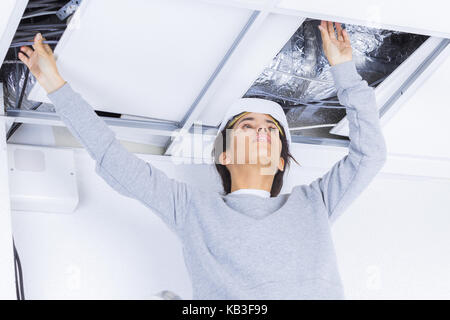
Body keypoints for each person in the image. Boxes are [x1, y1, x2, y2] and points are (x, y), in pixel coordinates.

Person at [18, 20, 387, 299]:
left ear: (280, 162)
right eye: (248, 125)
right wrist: (55, 86)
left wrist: (345, 73)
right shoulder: (194, 209)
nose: (263, 131)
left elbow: (369, 153)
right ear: (223, 154)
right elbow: (116, 162)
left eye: (272, 130)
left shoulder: (315, 204)